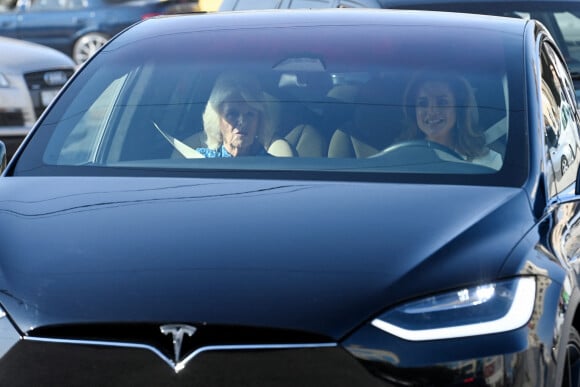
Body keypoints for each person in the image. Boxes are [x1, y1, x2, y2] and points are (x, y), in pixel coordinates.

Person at [399, 72, 502, 170]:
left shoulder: (488, 163)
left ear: (459, 109)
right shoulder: (398, 160)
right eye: (423, 103)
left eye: (442, 102)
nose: (431, 112)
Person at [192, 73, 294, 158]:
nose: (242, 121)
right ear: (216, 120)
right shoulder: (198, 161)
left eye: (250, 114)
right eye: (232, 114)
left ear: (259, 121)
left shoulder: (273, 168)